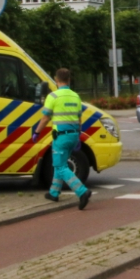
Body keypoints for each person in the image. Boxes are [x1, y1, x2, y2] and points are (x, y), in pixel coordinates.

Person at [32, 68, 91, 210]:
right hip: (73, 135)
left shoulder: (53, 96)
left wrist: (37, 132)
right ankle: (54, 192)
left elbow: (46, 117)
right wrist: (78, 135)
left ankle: (82, 192)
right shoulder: (76, 96)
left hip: (61, 136)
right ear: (69, 80)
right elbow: (79, 118)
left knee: (60, 166)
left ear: (56, 80)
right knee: (61, 163)